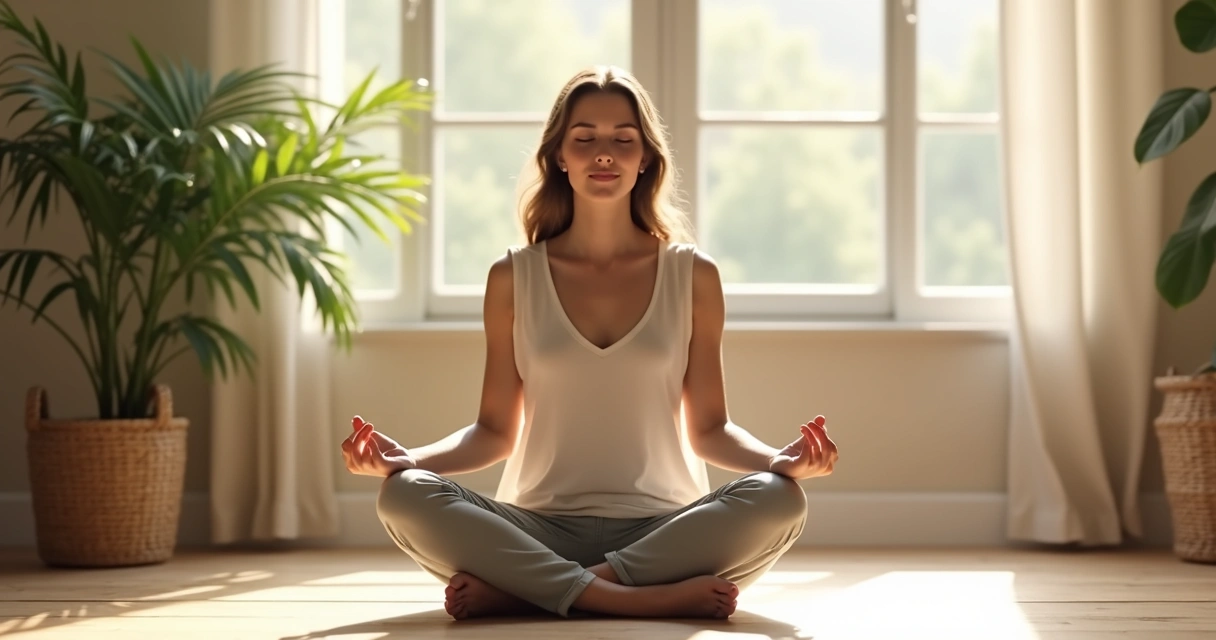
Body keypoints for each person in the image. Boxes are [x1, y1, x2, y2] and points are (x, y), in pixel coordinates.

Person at [339, 65, 839, 621]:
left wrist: (779, 460)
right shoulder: (513, 276)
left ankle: (528, 593)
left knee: (779, 498)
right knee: (403, 492)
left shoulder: (693, 274)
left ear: (645, 157)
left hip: (664, 532)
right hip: (534, 530)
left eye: (623, 139)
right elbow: (495, 431)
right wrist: (408, 460)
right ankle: (628, 598)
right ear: (559, 155)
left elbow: (709, 430)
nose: (604, 154)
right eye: (585, 139)